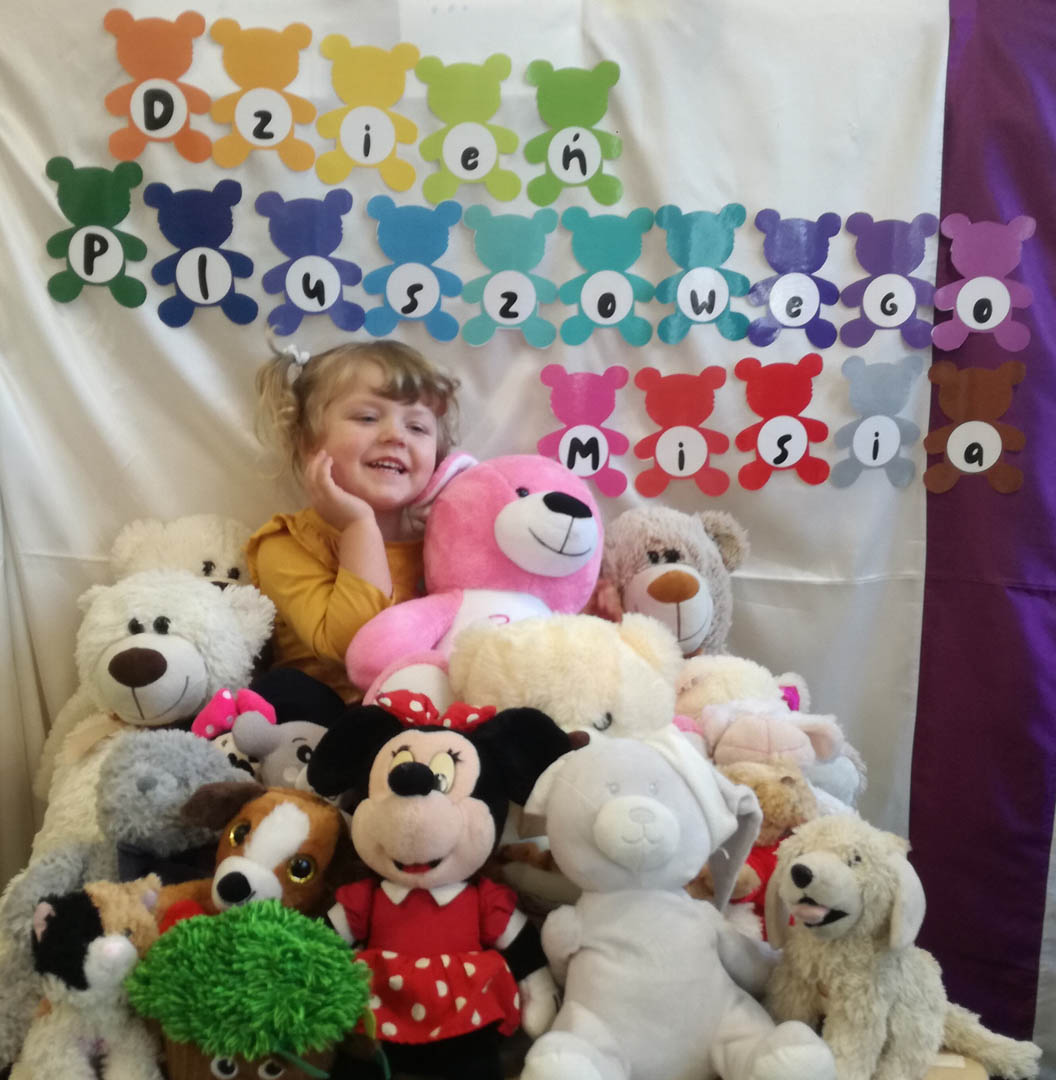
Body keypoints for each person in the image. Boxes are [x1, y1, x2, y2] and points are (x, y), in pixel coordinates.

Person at [248, 340, 460, 704]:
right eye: (367, 418)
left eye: (417, 427)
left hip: (426, 712)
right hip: (326, 716)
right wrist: (359, 526)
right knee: (289, 691)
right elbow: (356, 646)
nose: (396, 436)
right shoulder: (286, 544)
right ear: (309, 443)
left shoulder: (442, 543)